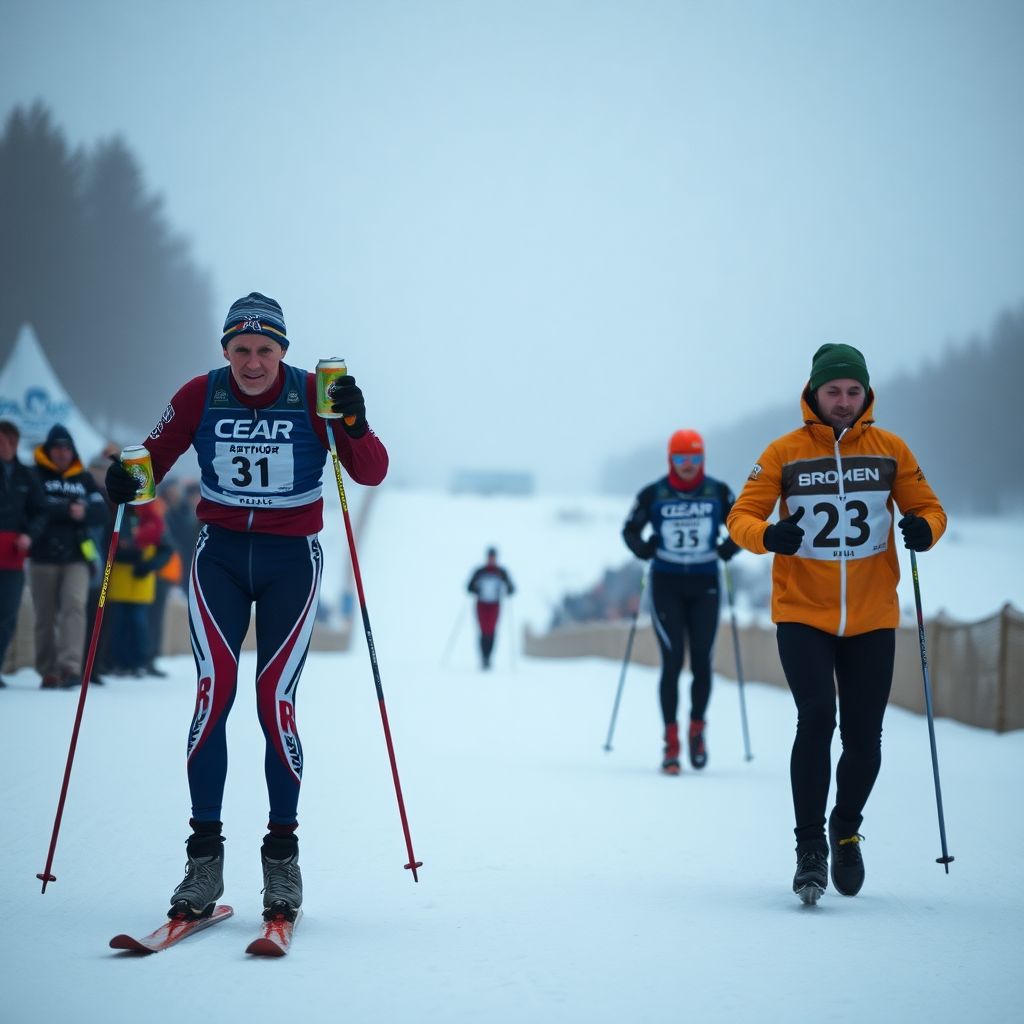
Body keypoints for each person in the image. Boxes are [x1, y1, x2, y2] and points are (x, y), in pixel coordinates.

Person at [105, 291, 388, 923]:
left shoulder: (316, 393)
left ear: (282, 351)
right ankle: (203, 863)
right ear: (225, 350)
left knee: (273, 701)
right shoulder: (199, 395)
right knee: (215, 693)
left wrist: (355, 424)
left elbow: (370, 473)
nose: (252, 363)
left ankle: (281, 861)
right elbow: (151, 465)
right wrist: (124, 481)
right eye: (241, 350)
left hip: (292, 562)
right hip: (221, 559)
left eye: (265, 350)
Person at [726, 343, 946, 904]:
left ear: (866, 394)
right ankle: (808, 849)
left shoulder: (891, 450)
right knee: (817, 717)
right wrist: (768, 536)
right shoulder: (784, 452)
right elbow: (741, 517)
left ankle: (844, 827)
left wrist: (925, 528)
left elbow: (930, 507)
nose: (843, 402)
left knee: (865, 737)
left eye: (853, 391)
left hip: (872, 615)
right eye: (833, 391)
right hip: (802, 611)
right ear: (814, 394)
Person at [622, 429, 738, 774]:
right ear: (670, 459)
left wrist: (730, 547)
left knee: (702, 661)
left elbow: (744, 523)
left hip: (705, 584)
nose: (687, 465)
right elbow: (629, 529)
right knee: (672, 662)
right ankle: (670, 742)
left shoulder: (718, 491)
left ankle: (696, 729)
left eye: (694, 458)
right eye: (680, 458)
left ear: (703, 459)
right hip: (666, 583)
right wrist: (641, 548)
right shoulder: (654, 493)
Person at [30, 424, 109, 688]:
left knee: (75, 607)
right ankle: (47, 670)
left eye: (66, 448)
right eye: (57, 448)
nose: (62, 453)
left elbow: (101, 511)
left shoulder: (84, 479)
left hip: (77, 555)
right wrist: (68, 509)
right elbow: (35, 506)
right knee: (45, 614)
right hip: (42, 555)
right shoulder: (35, 475)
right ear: (48, 450)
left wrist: (84, 512)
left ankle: (70, 667)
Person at [0, 420, 49, 687]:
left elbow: (40, 511)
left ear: (16, 443)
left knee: (7, 613)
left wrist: (30, 534)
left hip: (13, 553)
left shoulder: (26, 476)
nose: (4, 446)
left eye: (8, 441)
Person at [466, 547, 515, 669]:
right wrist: (475, 589)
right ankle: (483, 657)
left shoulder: (501, 572)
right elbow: (469, 587)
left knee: (491, 630)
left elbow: (512, 588)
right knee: (483, 630)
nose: (491, 559)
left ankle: (489, 657)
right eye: (490, 557)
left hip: (495, 605)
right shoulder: (480, 571)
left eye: (493, 557)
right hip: (481, 605)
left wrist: (508, 588)